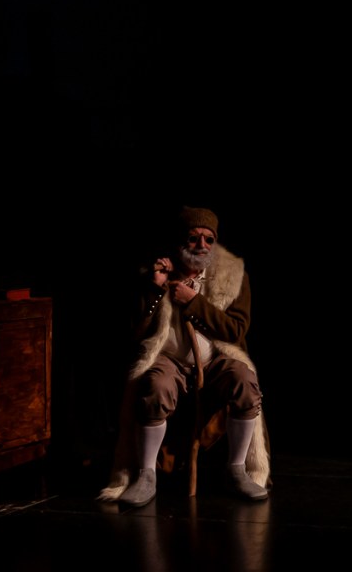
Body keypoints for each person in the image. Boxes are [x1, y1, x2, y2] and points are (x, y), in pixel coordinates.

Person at [97, 206, 270, 507]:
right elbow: (135, 332)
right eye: (193, 238)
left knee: (245, 382)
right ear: (180, 241)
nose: (202, 245)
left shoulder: (232, 276)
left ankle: (237, 470)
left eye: (208, 239)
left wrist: (193, 302)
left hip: (216, 360)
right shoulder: (156, 272)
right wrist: (154, 290)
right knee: (156, 387)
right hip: (170, 360)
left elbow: (235, 331)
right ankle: (146, 475)